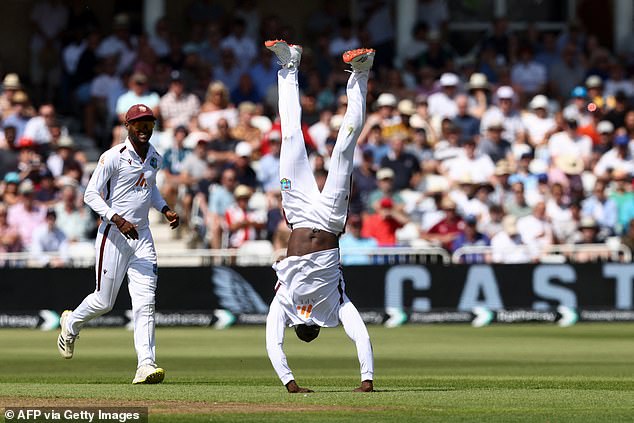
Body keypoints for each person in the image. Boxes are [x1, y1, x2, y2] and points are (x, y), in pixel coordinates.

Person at [264, 40, 375, 393]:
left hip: (298, 216)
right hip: (328, 221)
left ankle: (290, 66)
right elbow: (358, 331)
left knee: (292, 137)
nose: (309, 321)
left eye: (305, 327)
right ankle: (361, 72)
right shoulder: (336, 306)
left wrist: (291, 383)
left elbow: (273, 342)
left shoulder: (286, 303)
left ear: (300, 326)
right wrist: (366, 380)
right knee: (343, 146)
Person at [56, 104, 180, 385]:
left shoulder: (154, 157)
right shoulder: (113, 157)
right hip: (114, 236)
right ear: (127, 126)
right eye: (138, 123)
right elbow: (90, 194)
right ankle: (71, 323)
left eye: (148, 123)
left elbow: (151, 189)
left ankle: (146, 365)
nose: (144, 128)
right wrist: (118, 219)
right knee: (104, 301)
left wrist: (164, 208)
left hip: (143, 238)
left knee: (145, 303)